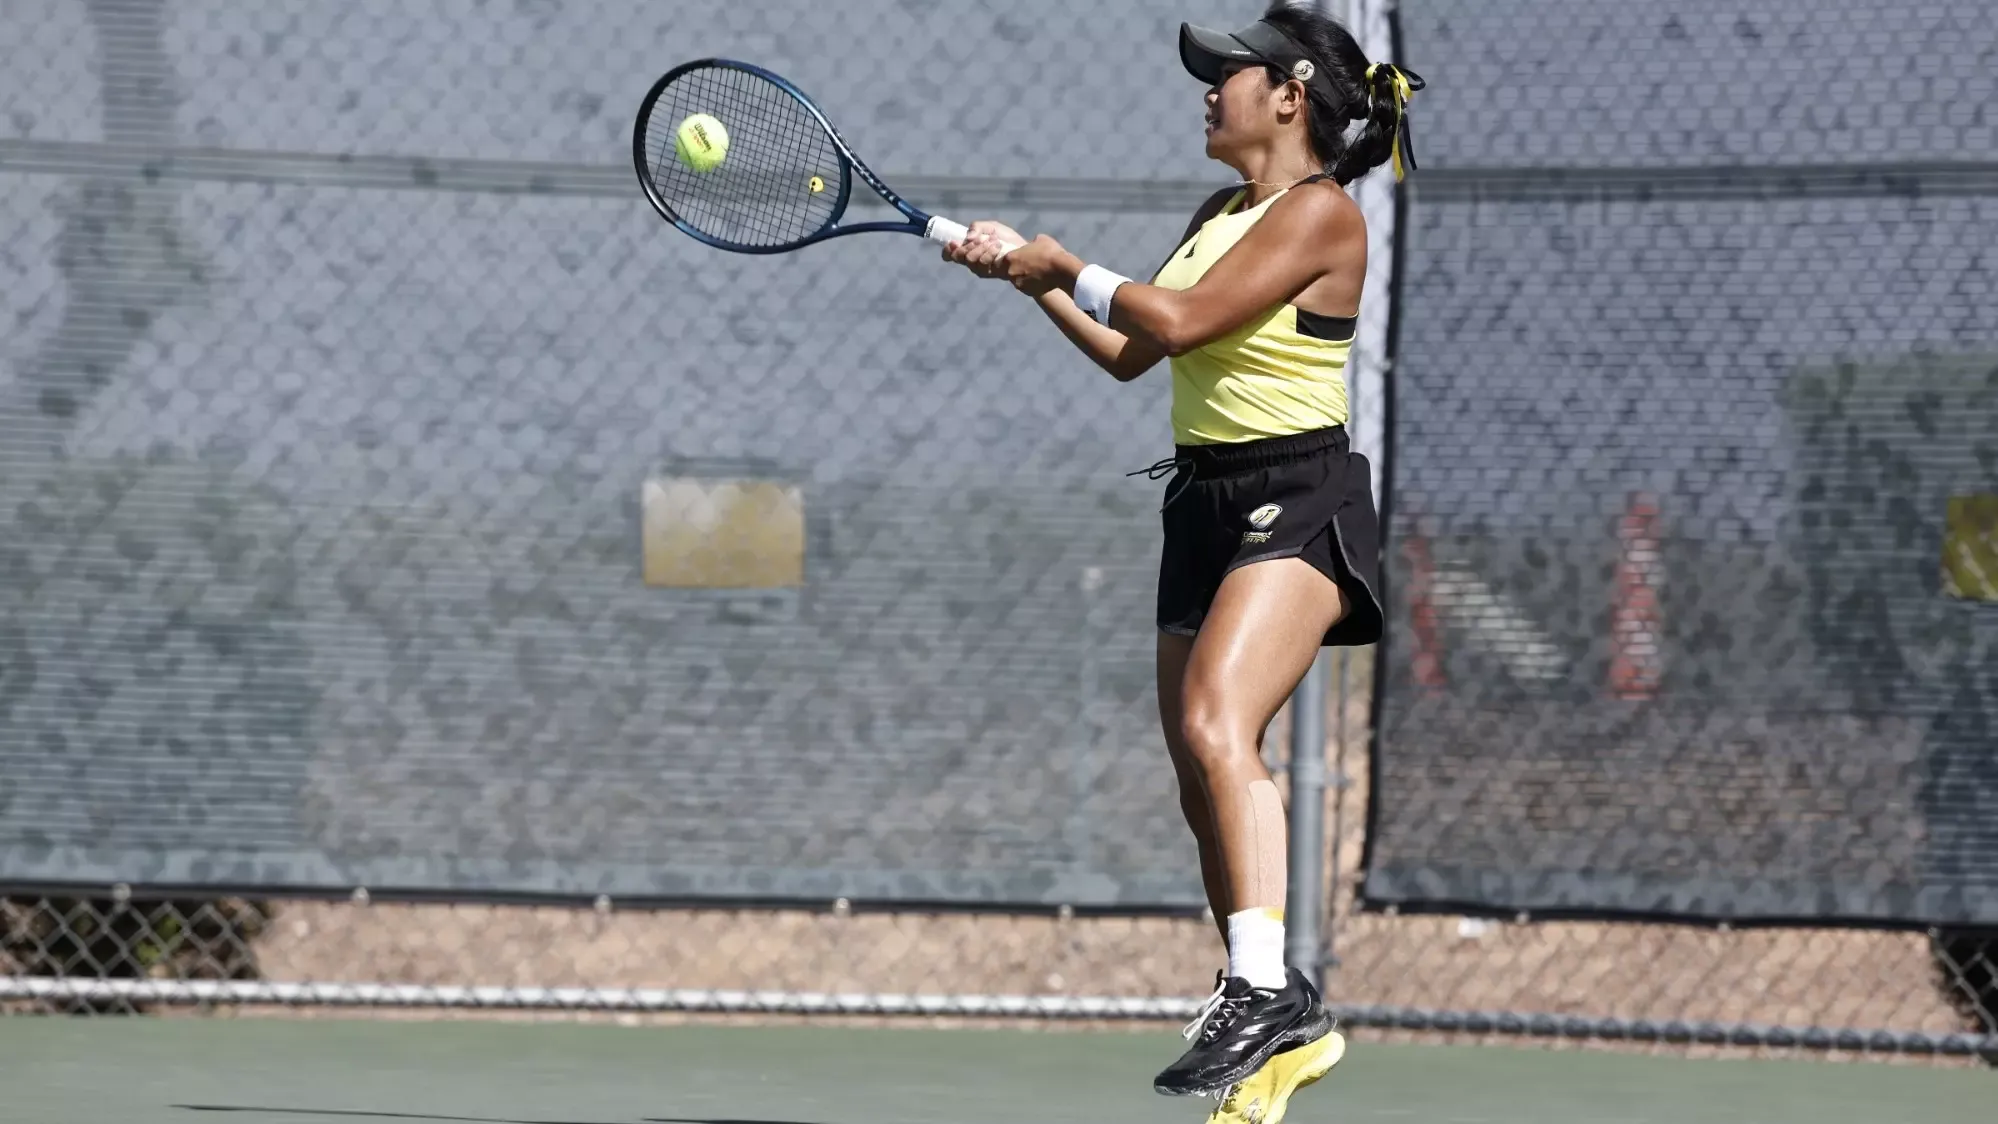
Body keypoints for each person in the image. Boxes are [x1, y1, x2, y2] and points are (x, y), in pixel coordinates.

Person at [941, 4, 1422, 1118]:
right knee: (1199, 776)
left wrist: (1066, 257)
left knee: (1219, 720)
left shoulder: (1324, 218)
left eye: (1231, 75)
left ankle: (1261, 987)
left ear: (1291, 95)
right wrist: (1034, 280)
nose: (1209, 89)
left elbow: (1189, 318)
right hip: (1201, 504)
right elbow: (1131, 348)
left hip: (1298, 497)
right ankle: (1276, 1024)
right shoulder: (1222, 211)